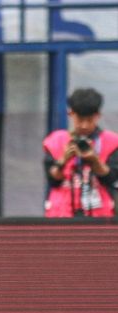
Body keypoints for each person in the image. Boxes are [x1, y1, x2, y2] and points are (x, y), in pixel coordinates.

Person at [43, 87, 118, 217]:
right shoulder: (55, 140)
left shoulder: (111, 142)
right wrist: (64, 159)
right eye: (80, 119)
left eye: (89, 120)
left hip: (101, 215)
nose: (84, 125)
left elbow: (112, 180)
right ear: (71, 114)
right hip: (61, 214)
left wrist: (95, 161)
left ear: (98, 116)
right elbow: (53, 181)